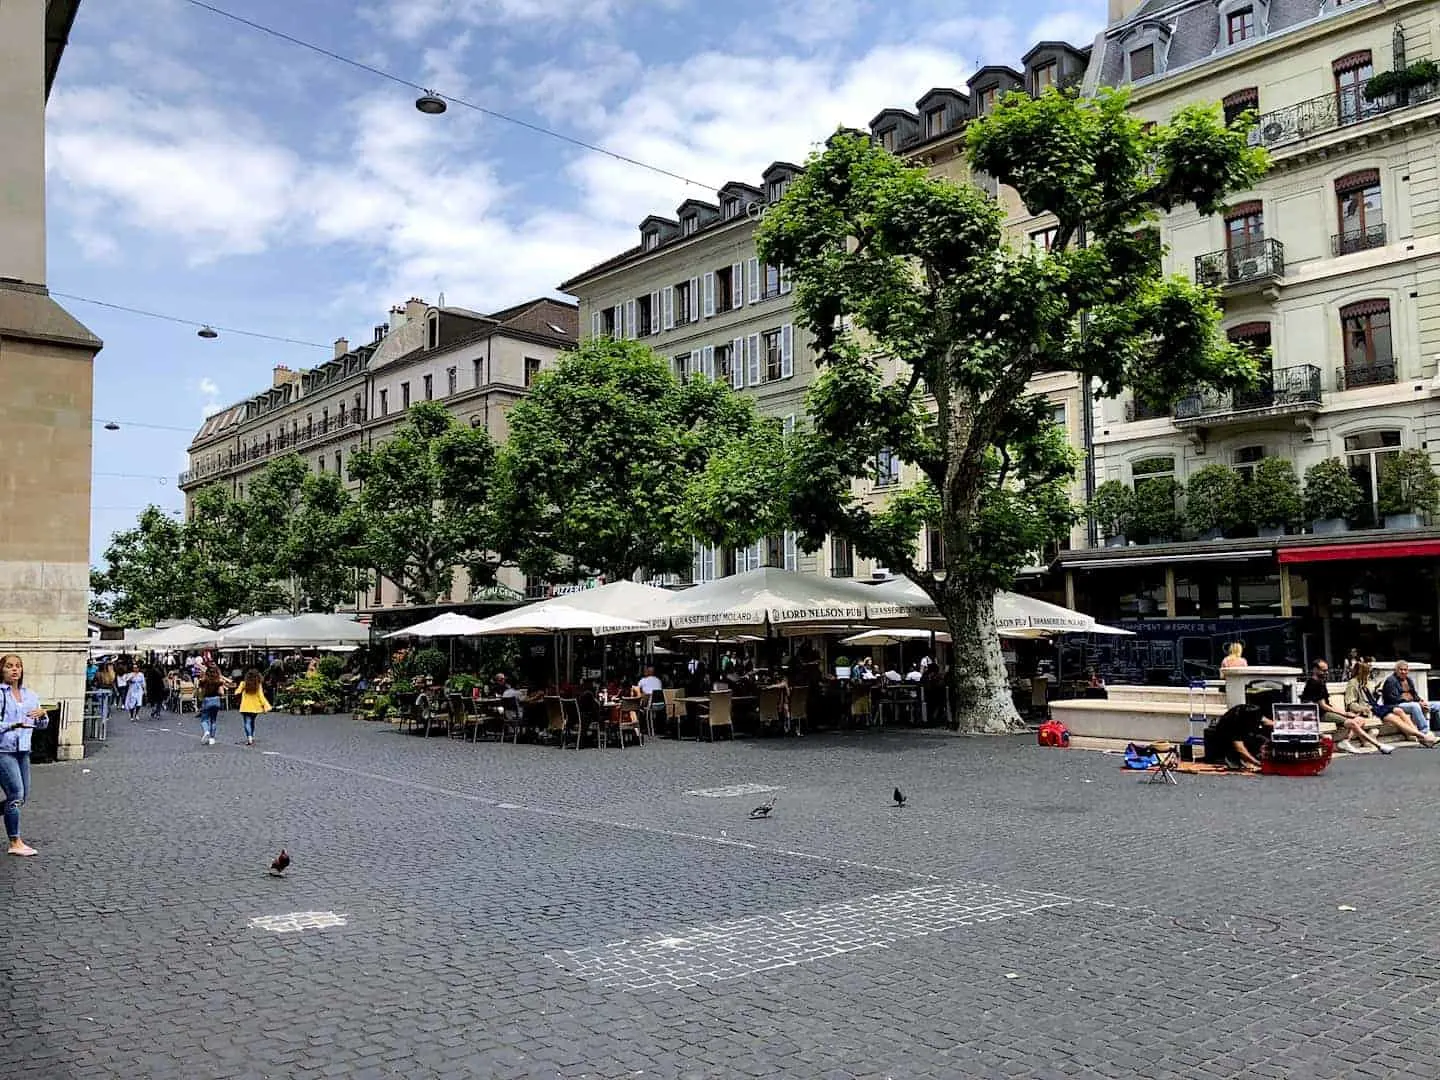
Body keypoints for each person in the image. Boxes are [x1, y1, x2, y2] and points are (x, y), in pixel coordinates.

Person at [0, 655, 49, 856]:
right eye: (9, 666)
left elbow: (41, 725)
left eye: (18, 666)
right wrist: (13, 725)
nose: (14, 670)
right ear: (1, 670)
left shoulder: (30, 695)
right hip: (3, 750)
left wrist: (43, 716)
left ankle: (15, 838)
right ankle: (15, 841)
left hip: (23, 750)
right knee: (16, 795)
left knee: (22, 797)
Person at [1301, 658, 1391, 754]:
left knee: (1359, 719)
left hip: (1326, 711)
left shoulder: (1321, 682)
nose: (1326, 673)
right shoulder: (1314, 684)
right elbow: (1323, 706)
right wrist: (1344, 713)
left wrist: (1343, 712)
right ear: (1315, 670)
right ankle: (1379, 745)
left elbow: (1328, 703)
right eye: (1323, 670)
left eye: (1327, 670)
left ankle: (1345, 741)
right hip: (1320, 714)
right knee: (1352, 723)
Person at [1346, 659, 1437, 748]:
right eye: (1368, 672)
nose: (1370, 675)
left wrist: (1377, 693)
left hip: (1376, 707)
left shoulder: (1365, 683)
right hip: (1369, 709)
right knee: (1395, 719)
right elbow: (1351, 703)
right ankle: (1423, 737)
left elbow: (1372, 699)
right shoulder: (1353, 683)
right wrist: (1364, 709)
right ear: (1361, 672)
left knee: (1399, 711)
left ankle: (1418, 735)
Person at [1380, 661, 1440, 734]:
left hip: (1410, 703)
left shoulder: (1408, 680)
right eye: (1401, 669)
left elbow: (1414, 694)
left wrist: (1420, 701)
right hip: (1396, 705)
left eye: (1405, 670)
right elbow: (1393, 698)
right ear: (1396, 670)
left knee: (1437, 704)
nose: (1403, 672)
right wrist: (1413, 701)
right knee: (1415, 706)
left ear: (1408, 671)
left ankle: (1438, 727)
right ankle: (1424, 731)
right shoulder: (1391, 680)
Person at [1213, 702, 1270, 770]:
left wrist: (1281, 727)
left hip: (1243, 735)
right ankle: (1238, 760)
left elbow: (1268, 722)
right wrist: (1257, 762)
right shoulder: (1235, 723)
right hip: (1224, 740)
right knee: (1234, 763)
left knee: (1264, 739)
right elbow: (1240, 749)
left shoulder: (1253, 713)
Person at [197, 664, 232, 746]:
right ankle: (212, 739)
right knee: (213, 720)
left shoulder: (203, 681)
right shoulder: (218, 681)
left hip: (207, 700)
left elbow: (200, 691)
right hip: (216, 700)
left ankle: (206, 731)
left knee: (204, 719)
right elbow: (222, 692)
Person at [238, 668, 272, 747]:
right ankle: (252, 736)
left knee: (247, 722)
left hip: (245, 706)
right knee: (252, 722)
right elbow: (261, 696)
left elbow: (237, 692)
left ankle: (249, 737)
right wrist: (265, 706)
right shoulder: (258, 685)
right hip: (255, 707)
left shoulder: (243, 684)